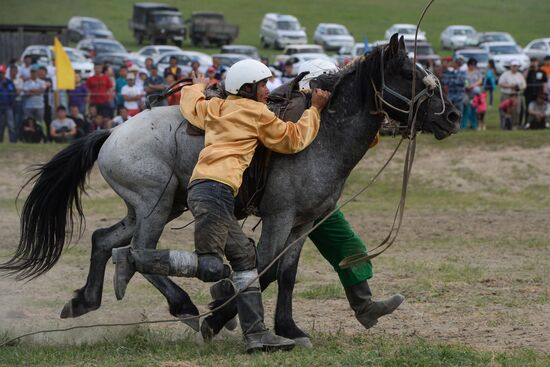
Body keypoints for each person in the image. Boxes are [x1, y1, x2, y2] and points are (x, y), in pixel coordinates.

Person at [112, 59, 331, 353]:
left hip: (205, 189)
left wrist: (198, 83)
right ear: (248, 88)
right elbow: (292, 139)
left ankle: (256, 335)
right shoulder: (257, 113)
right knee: (212, 266)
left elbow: (191, 103)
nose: (268, 90)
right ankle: (134, 259)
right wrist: (315, 109)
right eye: (263, 84)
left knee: (244, 258)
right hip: (215, 192)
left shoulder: (217, 108)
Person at [293, 58, 404, 330]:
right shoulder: (299, 115)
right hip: (295, 203)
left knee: (348, 245)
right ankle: (222, 309)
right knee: (272, 265)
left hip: (320, 201)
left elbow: (366, 140)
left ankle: (364, 307)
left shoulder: (333, 119)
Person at [498, 60, 526, 129]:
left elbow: (524, 85)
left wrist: (518, 87)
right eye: (513, 66)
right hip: (506, 94)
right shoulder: (505, 74)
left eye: (516, 66)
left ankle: (515, 125)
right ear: (510, 66)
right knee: (504, 110)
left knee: (516, 110)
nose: (514, 67)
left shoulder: (520, 75)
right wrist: (510, 86)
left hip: (516, 95)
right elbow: (500, 83)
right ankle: (504, 125)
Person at [523, 58, 548, 124]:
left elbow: (544, 83)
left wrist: (544, 93)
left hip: (539, 93)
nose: (534, 63)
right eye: (532, 62)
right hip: (529, 93)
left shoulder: (542, 72)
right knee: (528, 107)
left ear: (538, 62)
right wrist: (529, 68)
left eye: (535, 62)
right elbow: (524, 78)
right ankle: (527, 123)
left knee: (540, 107)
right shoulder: (528, 71)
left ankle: (542, 122)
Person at [22, 65, 46, 131]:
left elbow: (42, 90)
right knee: (28, 123)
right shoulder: (26, 83)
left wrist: (32, 91)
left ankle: (40, 136)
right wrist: (37, 91)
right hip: (29, 106)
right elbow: (26, 93)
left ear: (37, 73)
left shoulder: (42, 82)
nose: (34, 74)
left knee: (39, 122)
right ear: (30, 73)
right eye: (32, 72)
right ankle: (30, 138)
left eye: (35, 72)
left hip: (39, 105)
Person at [0, 64, 16, 142]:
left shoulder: (9, 82)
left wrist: (11, 103)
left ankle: (12, 141)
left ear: (5, 73)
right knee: (0, 125)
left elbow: (13, 93)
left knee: (11, 124)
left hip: (8, 106)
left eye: (2, 73)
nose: (1, 74)